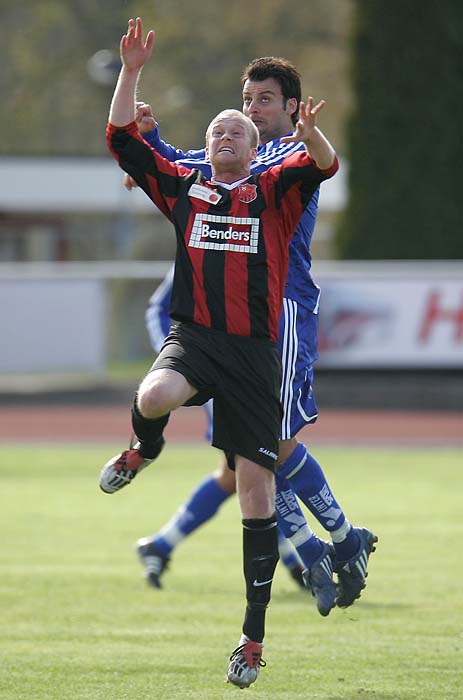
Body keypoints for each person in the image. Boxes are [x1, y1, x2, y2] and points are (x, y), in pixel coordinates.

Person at [101, 17, 338, 688]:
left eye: (238, 126)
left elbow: (322, 164)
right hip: (197, 341)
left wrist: (312, 132)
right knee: (151, 398)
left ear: (258, 139)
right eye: (216, 130)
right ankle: (143, 449)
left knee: (255, 499)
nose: (227, 133)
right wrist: (131, 71)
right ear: (204, 148)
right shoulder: (184, 182)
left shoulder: (277, 186)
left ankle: (251, 640)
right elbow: (122, 139)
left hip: (255, 357)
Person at [128, 57, 378, 615]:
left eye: (264, 99)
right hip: (233, 330)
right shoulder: (240, 157)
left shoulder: (287, 155)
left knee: (267, 447)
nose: (251, 108)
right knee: (253, 453)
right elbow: (185, 164)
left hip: (280, 311)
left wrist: (314, 136)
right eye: (247, 99)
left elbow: (323, 162)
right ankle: (327, 546)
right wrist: (152, 142)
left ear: (292, 107)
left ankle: (333, 542)